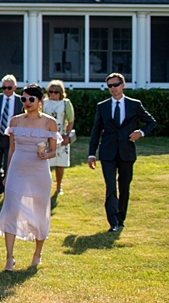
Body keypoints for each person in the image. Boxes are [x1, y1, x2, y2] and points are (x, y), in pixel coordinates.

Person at [0, 84, 59, 271]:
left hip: (39, 170)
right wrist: (7, 174)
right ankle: (9, 257)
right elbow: (11, 150)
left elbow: (54, 150)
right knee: (11, 209)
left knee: (39, 211)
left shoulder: (49, 122)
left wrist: (47, 154)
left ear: (39, 101)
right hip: (17, 169)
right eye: (24, 99)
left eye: (31, 99)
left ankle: (37, 253)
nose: (27, 103)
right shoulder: (15, 121)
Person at [88, 72, 157, 233]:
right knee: (110, 187)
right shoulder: (102, 106)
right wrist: (92, 154)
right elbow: (96, 131)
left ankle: (121, 218)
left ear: (123, 85)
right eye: (110, 86)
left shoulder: (134, 104)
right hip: (107, 153)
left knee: (124, 186)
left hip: (126, 152)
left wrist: (140, 132)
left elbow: (151, 122)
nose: (113, 88)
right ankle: (112, 221)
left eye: (116, 85)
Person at [0, 75, 24, 194]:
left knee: (8, 166)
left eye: (9, 88)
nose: (6, 90)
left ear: (14, 87)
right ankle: (2, 181)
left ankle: (7, 188)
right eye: (4, 88)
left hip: (12, 137)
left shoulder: (21, 101)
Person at [44, 80, 76, 196]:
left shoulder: (65, 103)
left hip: (60, 135)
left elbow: (71, 120)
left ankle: (59, 186)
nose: (53, 94)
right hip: (47, 135)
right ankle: (46, 185)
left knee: (60, 162)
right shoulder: (45, 103)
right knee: (45, 160)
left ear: (60, 93)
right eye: (51, 92)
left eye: (55, 92)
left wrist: (66, 135)